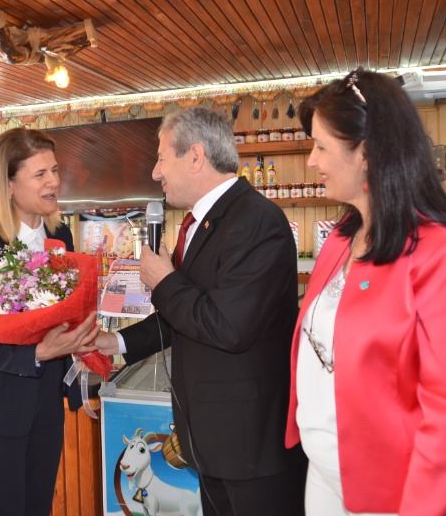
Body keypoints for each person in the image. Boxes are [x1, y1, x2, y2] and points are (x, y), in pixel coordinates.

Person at [286, 69, 446, 516]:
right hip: (325, 471)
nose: (312, 161)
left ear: (367, 152)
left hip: (400, 484)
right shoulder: (341, 238)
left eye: (321, 146)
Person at [96, 107, 306, 516]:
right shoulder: (199, 224)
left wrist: (164, 282)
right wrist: (116, 341)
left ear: (195, 156)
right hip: (208, 444)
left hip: (250, 451)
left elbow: (229, 326)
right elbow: (185, 316)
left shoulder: (258, 221)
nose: (156, 173)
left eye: (161, 158)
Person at [0, 128, 99, 516]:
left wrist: (82, 347)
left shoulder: (61, 235)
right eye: (40, 174)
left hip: (45, 403)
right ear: (9, 185)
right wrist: (37, 353)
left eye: (55, 171)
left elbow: (68, 312)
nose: (53, 182)